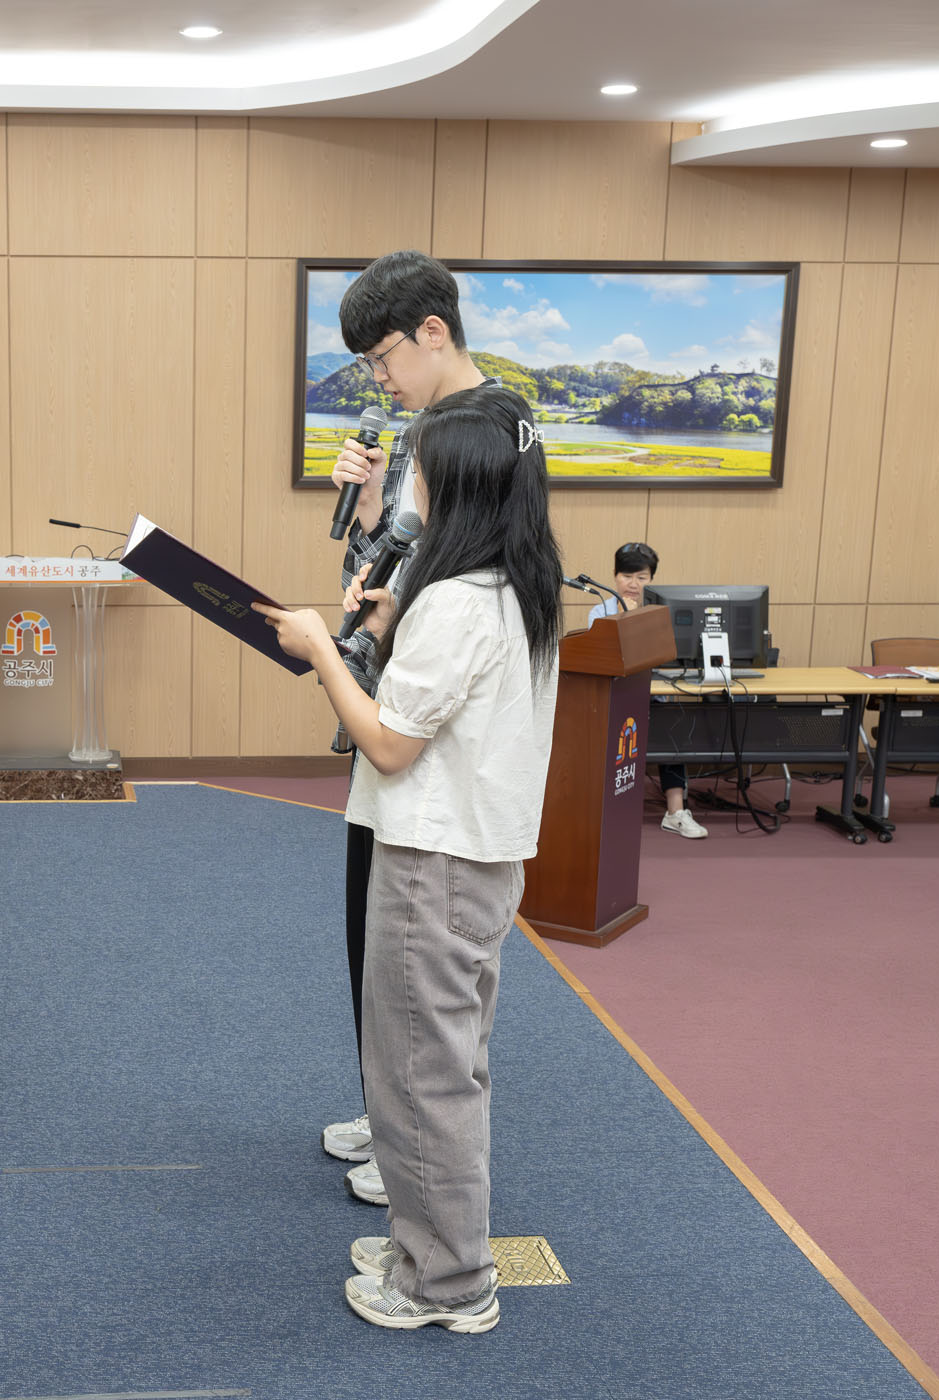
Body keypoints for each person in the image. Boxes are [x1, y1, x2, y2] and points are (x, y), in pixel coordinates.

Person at [256, 386, 562, 1335]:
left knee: (418, 1077)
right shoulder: (517, 583)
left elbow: (389, 745)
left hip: (432, 864)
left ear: (454, 485)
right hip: (480, 858)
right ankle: (427, 1243)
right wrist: (390, 625)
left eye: (417, 468)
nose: (405, 482)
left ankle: (447, 1282)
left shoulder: (458, 603)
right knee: (447, 1066)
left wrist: (324, 649)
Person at [319, 249, 498, 1210]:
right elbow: (384, 568)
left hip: (430, 736)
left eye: (382, 358)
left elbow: (449, 593)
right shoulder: (424, 432)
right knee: (374, 944)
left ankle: (410, 1145)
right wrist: (365, 503)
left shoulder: (488, 434)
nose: (378, 379)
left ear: (434, 331)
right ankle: (385, 1110)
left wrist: (353, 637)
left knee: (421, 972)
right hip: (393, 717)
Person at [587, 541, 704, 838]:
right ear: (615, 576)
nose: (633, 584)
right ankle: (603, 811)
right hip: (614, 697)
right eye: (627, 576)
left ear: (651, 579)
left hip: (654, 695)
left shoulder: (660, 611)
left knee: (673, 724)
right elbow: (604, 657)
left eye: (642, 577)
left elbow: (661, 655)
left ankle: (675, 811)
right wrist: (626, 617)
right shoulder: (599, 612)